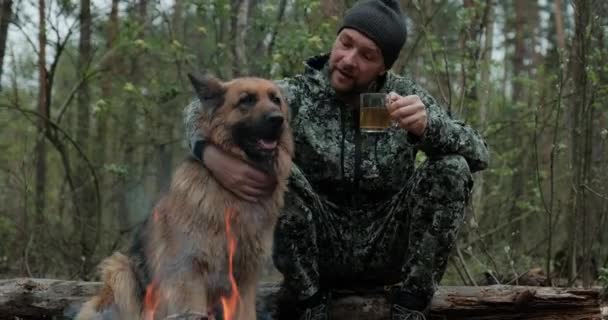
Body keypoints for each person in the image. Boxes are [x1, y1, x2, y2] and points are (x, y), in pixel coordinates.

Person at [183, 0, 489, 319]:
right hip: (316, 256)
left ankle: (410, 307)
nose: (349, 60)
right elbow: (200, 109)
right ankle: (311, 306)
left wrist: (429, 127)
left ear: (384, 67)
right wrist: (213, 157)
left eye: (367, 55)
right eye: (345, 44)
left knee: (452, 168)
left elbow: (479, 152)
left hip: (389, 246)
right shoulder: (292, 96)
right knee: (272, 164)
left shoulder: (404, 98)